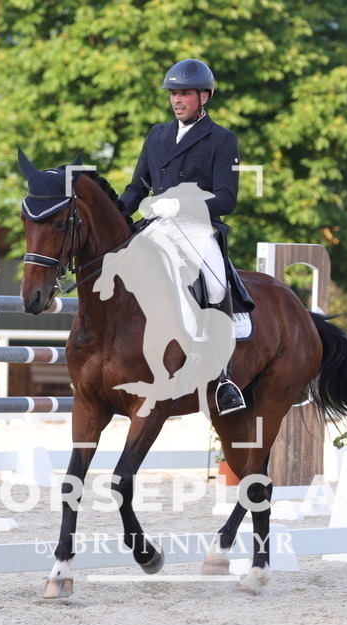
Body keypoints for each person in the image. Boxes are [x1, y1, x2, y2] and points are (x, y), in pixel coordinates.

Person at [118, 58, 246, 415]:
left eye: (185, 93)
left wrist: (181, 203)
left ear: (204, 96)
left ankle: (223, 378)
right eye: (173, 93)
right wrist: (115, 214)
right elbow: (136, 186)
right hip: (157, 228)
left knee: (217, 285)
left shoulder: (222, 139)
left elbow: (227, 198)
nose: (177, 100)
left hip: (197, 228)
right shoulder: (157, 134)